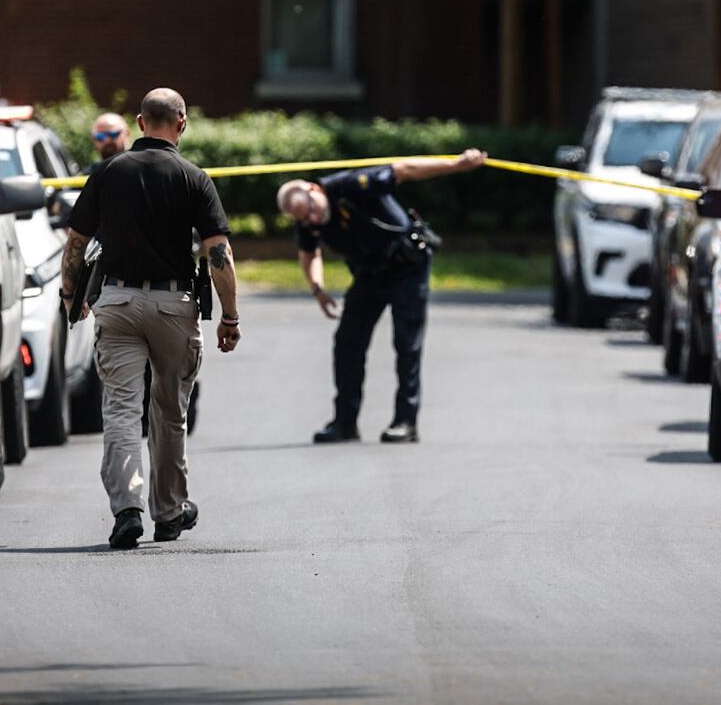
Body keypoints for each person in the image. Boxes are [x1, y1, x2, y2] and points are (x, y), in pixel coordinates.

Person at [62, 88, 241, 550]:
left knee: (122, 409)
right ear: (181, 123)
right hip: (173, 306)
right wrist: (230, 317)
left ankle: (127, 509)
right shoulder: (194, 178)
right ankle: (169, 512)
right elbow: (218, 252)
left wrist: (70, 297)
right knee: (169, 411)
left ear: (140, 123)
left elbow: (76, 244)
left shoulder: (107, 172)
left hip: (116, 304)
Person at [277, 150, 486, 445]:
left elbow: (405, 169)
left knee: (406, 342)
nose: (312, 219)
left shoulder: (351, 184)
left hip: (407, 267)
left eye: (311, 209)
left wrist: (456, 164)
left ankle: (405, 422)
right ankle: (345, 423)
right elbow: (309, 254)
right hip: (369, 275)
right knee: (347, 343)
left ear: (315, 190)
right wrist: (317, 288)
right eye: (303, 218)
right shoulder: (308, 222)